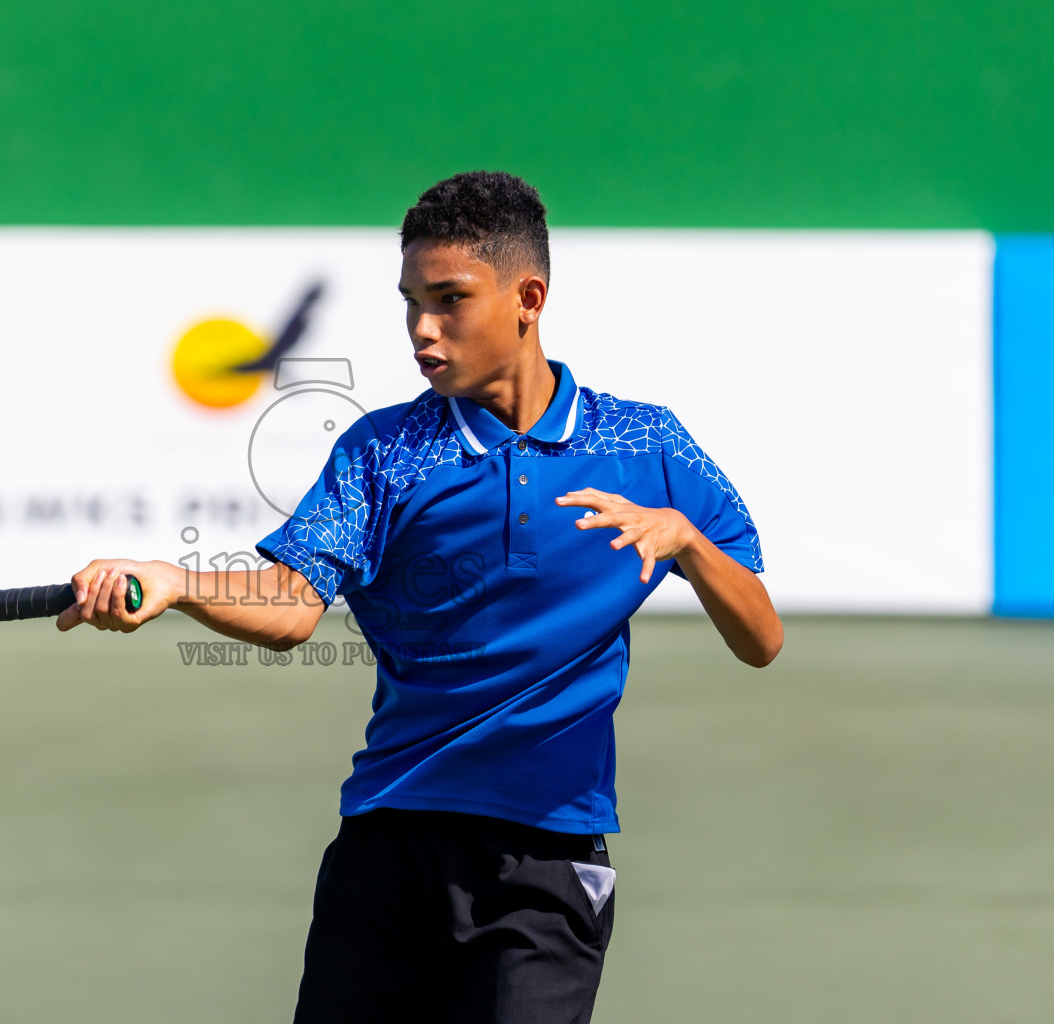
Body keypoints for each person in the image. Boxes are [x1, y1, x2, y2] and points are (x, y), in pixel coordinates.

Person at [56, 170, 784, 1023]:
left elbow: (760, 636)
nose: (422, 331)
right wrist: (180, 585)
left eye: (450, 300)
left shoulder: (644, 443)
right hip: (389, 844)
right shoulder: (385, 452)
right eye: (409, 302)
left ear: (529, 298)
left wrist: (688, 542)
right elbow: (293, 607)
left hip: (546, 865)